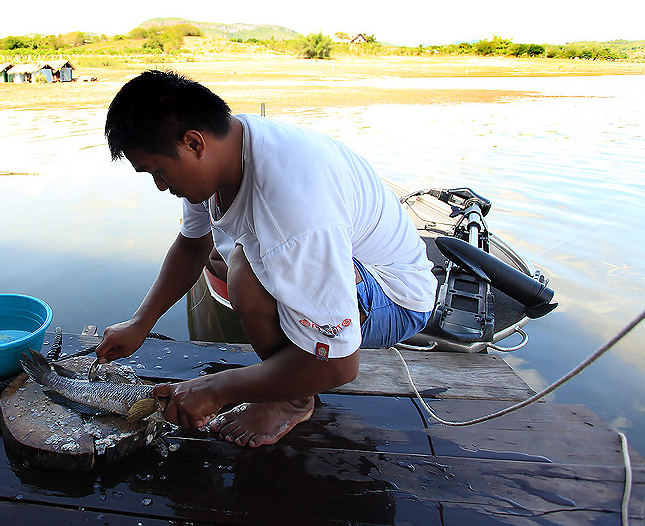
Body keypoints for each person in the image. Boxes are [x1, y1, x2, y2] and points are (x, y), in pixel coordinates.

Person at [96, 69, 437, 448]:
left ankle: (291, 400)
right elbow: (192, 246)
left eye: (158, 172)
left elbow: (341, 364)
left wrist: (213, 390)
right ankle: (288, 377)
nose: (160, 185)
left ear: (193, 143)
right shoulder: (224, 150)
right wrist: (141, 322)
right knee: (236, 260)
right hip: (341, 263)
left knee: (245, 273)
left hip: (394, 298)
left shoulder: (293, 207)